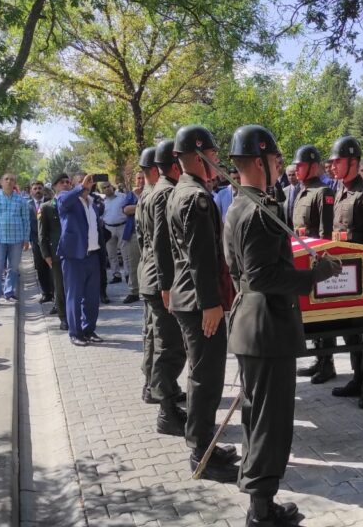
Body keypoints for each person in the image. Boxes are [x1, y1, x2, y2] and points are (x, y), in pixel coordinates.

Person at [224, 124, 342, 527]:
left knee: (257, 417)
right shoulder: (261, 211)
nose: (279, 166)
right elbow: (261, 276)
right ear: (259, 162)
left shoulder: (238, 206)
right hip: (267, 328)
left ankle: (259, 501)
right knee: (269, 423)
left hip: (251, 325)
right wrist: (315, 275)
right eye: (276, 159)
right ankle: (261, 510)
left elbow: (241, 271)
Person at [166, 124, 240, 483]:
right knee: (206, 378)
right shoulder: (195, 197)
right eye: (212, 155)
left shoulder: (182, 190)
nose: (216, 161)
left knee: (203, 374)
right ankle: (200, 453)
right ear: (198, 157)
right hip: (199, 302)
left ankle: (205, 442)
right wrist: (211, 304)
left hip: (189, 297)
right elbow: (200, 258)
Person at [134, 141, 187, 435]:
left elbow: (144, 240)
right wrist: (167, 283)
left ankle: (155, 389)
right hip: (161, 280)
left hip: (151, 275)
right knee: (170, 346)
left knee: (156, 339)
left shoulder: (149, 194)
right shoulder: (165, 193)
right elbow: (163, 243)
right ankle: (167, 410)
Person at [328, 136, 363, 408]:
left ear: (352, 162)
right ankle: (357, 377)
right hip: (342, 275)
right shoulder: (340, 191)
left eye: (337, 161)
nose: (333, 166)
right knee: (349, 331)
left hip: (361, 277)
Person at [290, 144, 337, 384]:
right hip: (303, 259)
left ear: (314, 167)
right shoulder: (301, 191)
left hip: (317, 260)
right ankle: (319, 359)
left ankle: (328, 363)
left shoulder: (323, 192)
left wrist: (321, 261)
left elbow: (325, 233)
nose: (297, 169)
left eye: (301, 165)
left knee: (324, 315)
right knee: (313, 314)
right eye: (296, 165)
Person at [57, 173, 104, 344]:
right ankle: (75, 333)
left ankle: (88, 330)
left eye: (89, 182)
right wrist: (80, 188)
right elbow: (63, 201)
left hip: (92, 255)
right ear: (74, 185)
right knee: (74, 296)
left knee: (92, 298)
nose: (87, 184)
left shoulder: (92, 201)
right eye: (83, 182)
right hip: (74, 257)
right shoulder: (66, 199)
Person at [0, 173, 32, 306]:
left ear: (15, 183)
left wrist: (26, 239)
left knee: (13, 267)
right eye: (6, 179)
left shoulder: (21, 200)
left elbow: (26, 221)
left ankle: (9, 292)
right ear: (1, 182)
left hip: (16, 239)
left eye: (12, 180)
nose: (9, 181)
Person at [39, 174, 70, 331]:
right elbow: (42, 234)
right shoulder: (46, 207)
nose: (65, 184)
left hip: (74, 251)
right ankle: (63, 317)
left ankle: (74, 315)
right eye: (61, 182)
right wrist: (46, 255)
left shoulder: (74, 203)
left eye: (67, 182)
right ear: (54, 186)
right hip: (56, 252)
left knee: (74, 286)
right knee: (60, 286)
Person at [27, 180, 55, 303]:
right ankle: (45, 293)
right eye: (35, 188)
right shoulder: (27, 205)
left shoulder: (50, 203)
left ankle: (55, 292)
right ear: (31, 191)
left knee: (52, 267)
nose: (37, 190)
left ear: (43, 189)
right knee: (40, 268)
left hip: (50, 241)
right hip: (36, 242)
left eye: (39, 188)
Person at [99, 180, 129, 285]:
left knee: (125, 253)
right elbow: (100, 216)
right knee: (111, 253)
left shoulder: (122, 197)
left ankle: (128, 274)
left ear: (112, 186)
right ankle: (116, 275)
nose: (107, 189)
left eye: (108, 186)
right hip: (108, 228)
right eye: (104, 187)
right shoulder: (102, 202)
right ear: (102, 190)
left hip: (122, 226)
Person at [122, 171, 144, 304]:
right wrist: (143, 205)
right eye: (138, 178)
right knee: (133, 264)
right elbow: (126, 210)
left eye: (143, 178)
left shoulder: (153, 191)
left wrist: (135, 206)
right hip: (133, 233)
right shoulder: (131, 194)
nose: (141, 180)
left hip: (150, 233)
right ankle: (134, 291)